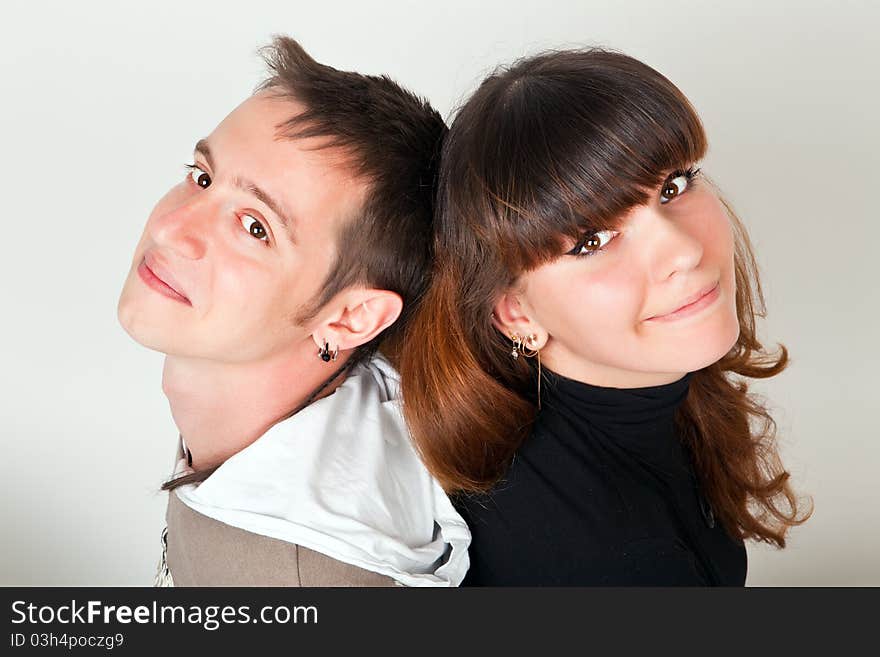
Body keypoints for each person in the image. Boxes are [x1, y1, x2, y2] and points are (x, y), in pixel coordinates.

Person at [398, 48, 813, 585]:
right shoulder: (606, 561)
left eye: (673, 187)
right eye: (592, 241)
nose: (683, 251)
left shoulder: (652, 398)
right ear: (514, 312)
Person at [116, 36, 470, 586]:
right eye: (202, 177)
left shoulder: (296, 577)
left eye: (255, 227)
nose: (169, 228)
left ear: (351, 318)